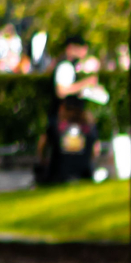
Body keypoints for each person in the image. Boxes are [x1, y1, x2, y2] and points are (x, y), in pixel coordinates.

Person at [43, 37, 105, 185]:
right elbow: (61, 91)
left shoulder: (72, 66)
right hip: (66, 117)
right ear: (71, 48)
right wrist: (85, 83)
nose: (84, 51)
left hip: (70, 117)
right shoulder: (65, 66)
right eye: (81, 47)